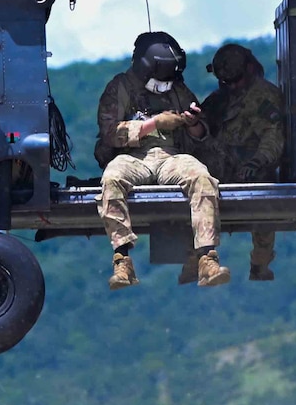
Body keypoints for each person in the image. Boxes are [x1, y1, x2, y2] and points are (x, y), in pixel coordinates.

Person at [95, 31, 230, 290]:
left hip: (171, 155)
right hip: (133, 157)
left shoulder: (177, 89)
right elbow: (109, 133)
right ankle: (122, 259)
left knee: (201, 177)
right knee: (111, 180)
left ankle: (207, 258)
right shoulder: (120, 87)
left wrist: (192, 125)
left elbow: (203, 133)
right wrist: (153, 124)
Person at [194, 43, 285, 281]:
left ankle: (260, 262)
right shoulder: (219, 100)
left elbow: (272, 135)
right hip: (219, 166)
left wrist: (257, 163)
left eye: (236, 82)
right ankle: (200, 259)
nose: (232, 87)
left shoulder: (264, 97)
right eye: (227, 83)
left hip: (252, 169)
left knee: (264, 208)